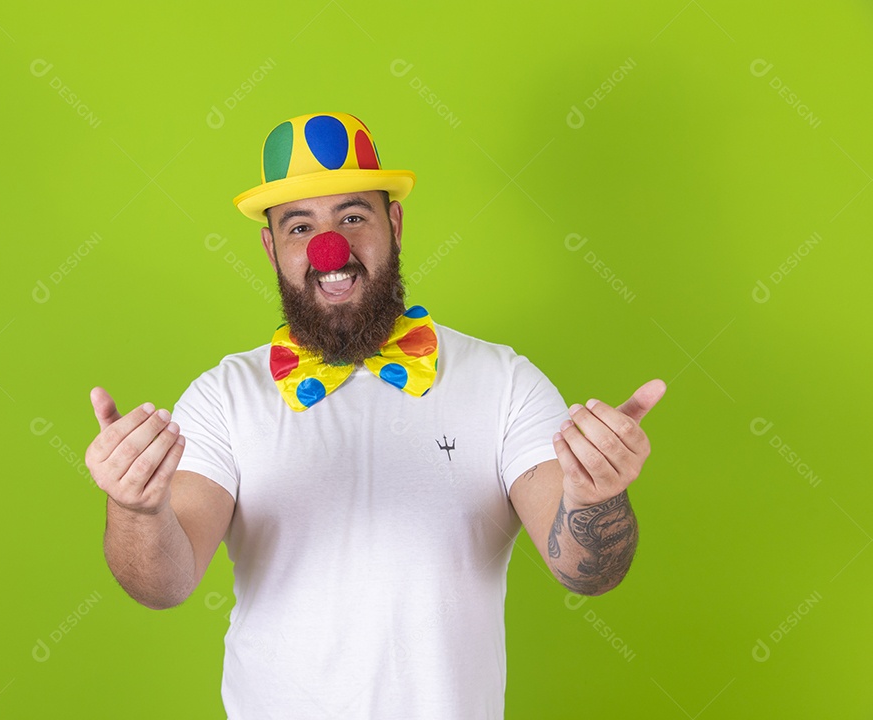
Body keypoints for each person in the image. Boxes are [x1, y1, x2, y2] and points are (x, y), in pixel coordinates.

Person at [84, 111, 666, 719]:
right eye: (299, 225)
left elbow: (586, 572)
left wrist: (596, 495)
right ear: (270, 246)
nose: (328, 247)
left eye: (353, 217)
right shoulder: (222, 395)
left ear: (394, 223)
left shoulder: (504, 381)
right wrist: (135, 507)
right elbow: (162, 585)